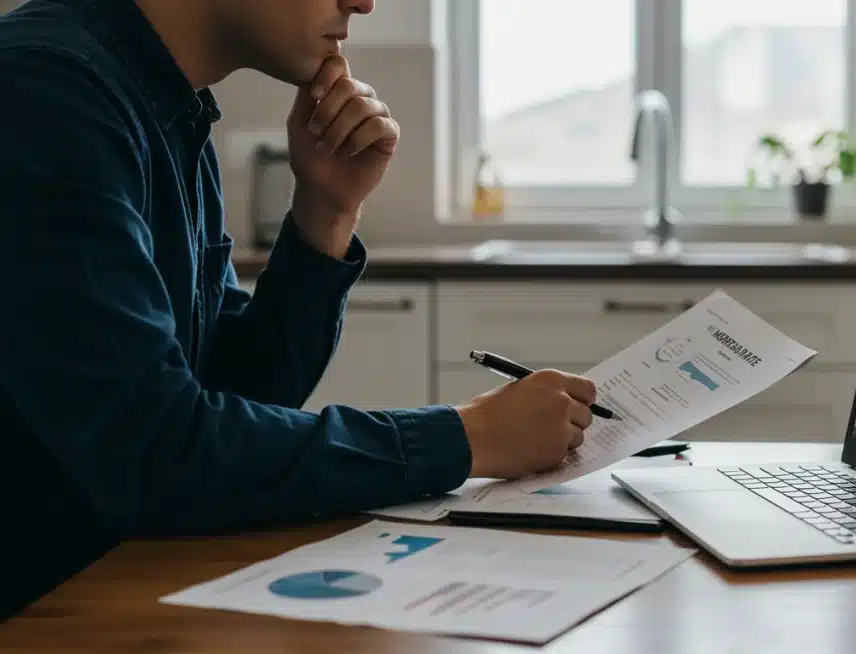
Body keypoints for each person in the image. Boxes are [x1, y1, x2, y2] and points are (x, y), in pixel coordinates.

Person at [0, 0, 598, 619]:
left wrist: (326, 210)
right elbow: (155, 451)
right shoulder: (44, 93)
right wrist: (464, 437)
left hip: (107, 597)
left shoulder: (163, 109)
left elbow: (234, 398)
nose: (364, 2)